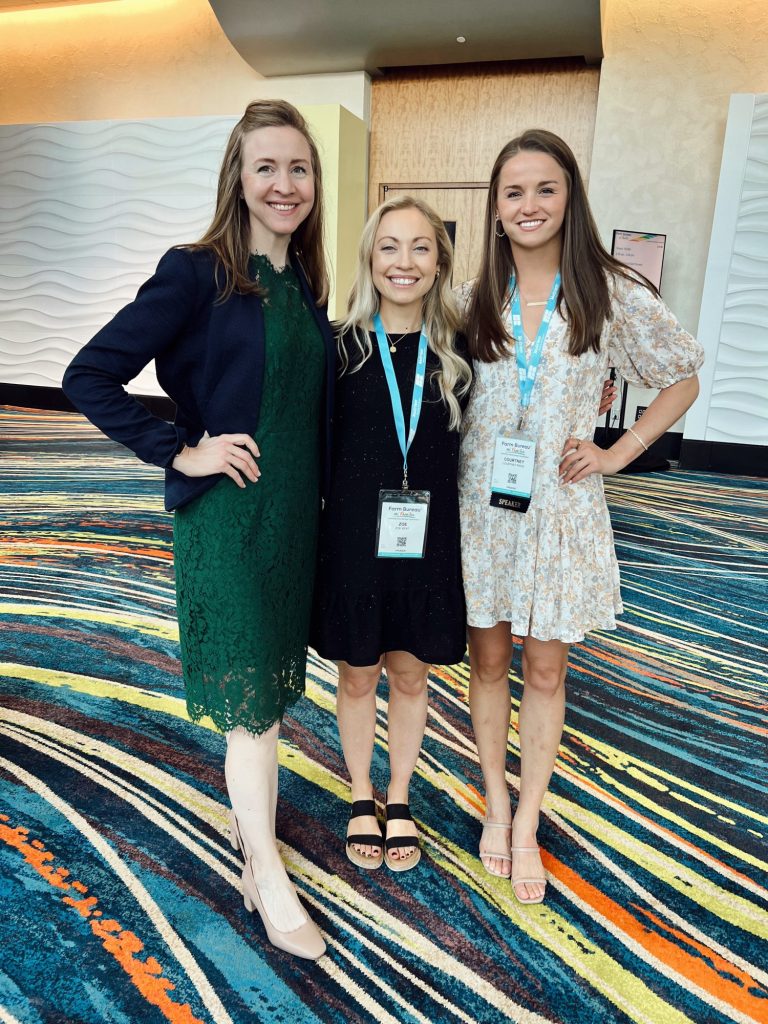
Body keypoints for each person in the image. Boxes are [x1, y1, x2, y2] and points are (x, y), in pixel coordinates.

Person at [63, 100, 337, 959]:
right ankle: (263, 871)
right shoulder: (196, 271)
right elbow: (89, 375)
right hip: (226, 521)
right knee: (251, 707)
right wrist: (180, 450)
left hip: (294, 520)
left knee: (269, 695)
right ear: (239, 177)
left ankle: (250, 832)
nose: (284, 184)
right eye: (267, 167)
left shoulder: (306, 283)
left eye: (299, 168)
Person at [458, 129, 703, 904]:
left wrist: (618, 450)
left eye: (545, 189)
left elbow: (682, 377)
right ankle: (495, 802)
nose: (529, 205)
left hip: (561, 507)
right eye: (513, 192)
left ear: (570, 199)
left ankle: (528, 819)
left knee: (546, 668)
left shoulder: (609, 290)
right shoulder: (477, 297)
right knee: (489, 662)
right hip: (484, 509)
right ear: (495, 210)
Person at [310, 196, 472, 871]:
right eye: (389, 247)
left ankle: (398, 797)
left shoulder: (462, 353)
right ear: (369, 259)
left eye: (419, 249)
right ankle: (359, 793)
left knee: (410, 676)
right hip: (353, 541)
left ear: (439, 263)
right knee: (357, 676)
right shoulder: (338, 344)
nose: (403, 262)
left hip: (426, 542)